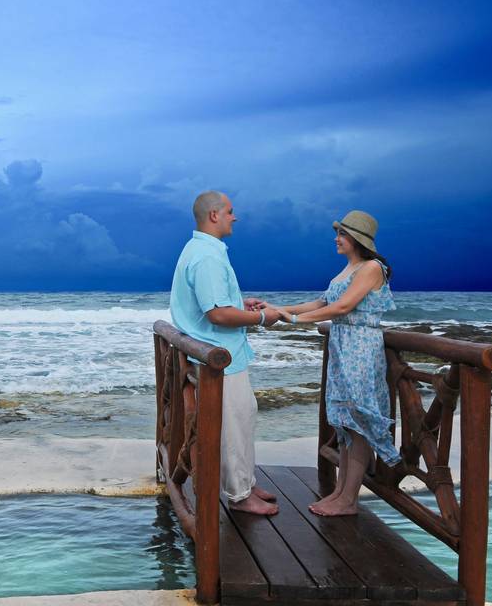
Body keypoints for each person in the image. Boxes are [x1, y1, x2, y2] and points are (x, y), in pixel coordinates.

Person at [273, 210, 401, 516]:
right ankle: (341, 492)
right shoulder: (347, 269)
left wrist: (294, 320)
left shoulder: (371, 267)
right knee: (345, 421)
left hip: (361, 348)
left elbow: (342, 307)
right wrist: (279, 309)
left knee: (358, 422)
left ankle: (349, 500)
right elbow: (321, 303)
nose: (336, 238)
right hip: (343, 347)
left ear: (356, 238)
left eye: (341, 234)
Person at [169, 190, 282, 516]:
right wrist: (262, 317)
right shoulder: (207, 256)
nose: (236, 217)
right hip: (218, 356)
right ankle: (239, 495)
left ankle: (245, 481)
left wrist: (239, 306)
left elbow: (216, 305)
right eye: (231, 211)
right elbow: (216, 314)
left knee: (245, 415)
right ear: (214, 215)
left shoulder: (201, 249)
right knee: (233, 425)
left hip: (222, 353)